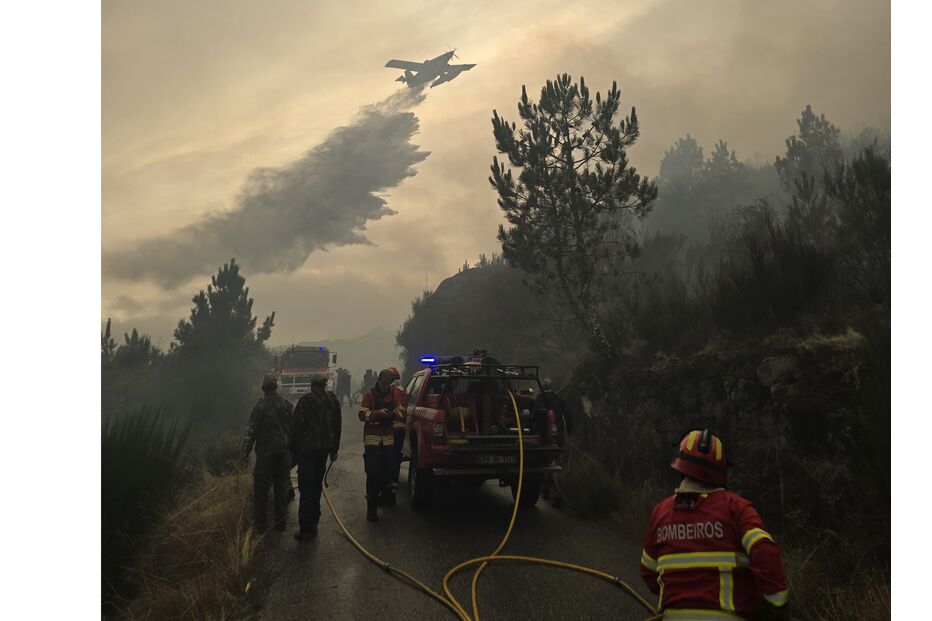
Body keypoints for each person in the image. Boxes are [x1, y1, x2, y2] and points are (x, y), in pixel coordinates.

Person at [640, 429, 789, 620]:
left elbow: (648, 571)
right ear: (722, 470)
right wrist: (778, 607)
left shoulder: (661, 512)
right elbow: (765, 553)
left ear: (680, 466)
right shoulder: (737, 508)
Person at [290, 374, 342, 541]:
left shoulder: (305, 401)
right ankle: (314, 522)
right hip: (324, 451)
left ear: (312, 385)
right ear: (325, 385)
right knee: (316, 486)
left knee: (306, 488)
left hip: (307, 452)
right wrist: (334, 449)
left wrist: (293, 451)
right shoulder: (332, 401)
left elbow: (295, 426)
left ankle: (305, 528)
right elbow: (337, 425)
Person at [240, 373, 293, 533]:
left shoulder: (260, 408)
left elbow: (250, 432)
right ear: (276, 387)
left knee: (261, 489)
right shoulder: (286, 405)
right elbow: (294, 429)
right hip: (283, 453)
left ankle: (260, 525)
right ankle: (281, 523)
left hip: (265, 454)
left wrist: (243, 454)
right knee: (281, 487)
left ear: (264, 389)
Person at [358, 368, 406, 522]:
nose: (387, 387)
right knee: (372, 475)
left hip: (389, 441)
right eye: (385, 384)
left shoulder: (394, 394)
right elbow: (362, 415)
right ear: (379, 381)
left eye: (389, 384)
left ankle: (385, 497)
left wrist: (394, 414)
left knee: (388, 473)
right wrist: (379, 414)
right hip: (372, 443)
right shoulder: (370, 395)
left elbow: (401, 411)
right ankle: (371, 509)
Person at [535, 378, 572, 506]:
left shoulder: (539, 399)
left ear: (543, 388)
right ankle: (547, 489)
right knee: (554, 460)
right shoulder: (559, 399)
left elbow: (534, 417)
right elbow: (568, 415)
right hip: (559, 435)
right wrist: (570, 431)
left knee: (549, 462)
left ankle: (557, 493)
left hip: (545, 435)